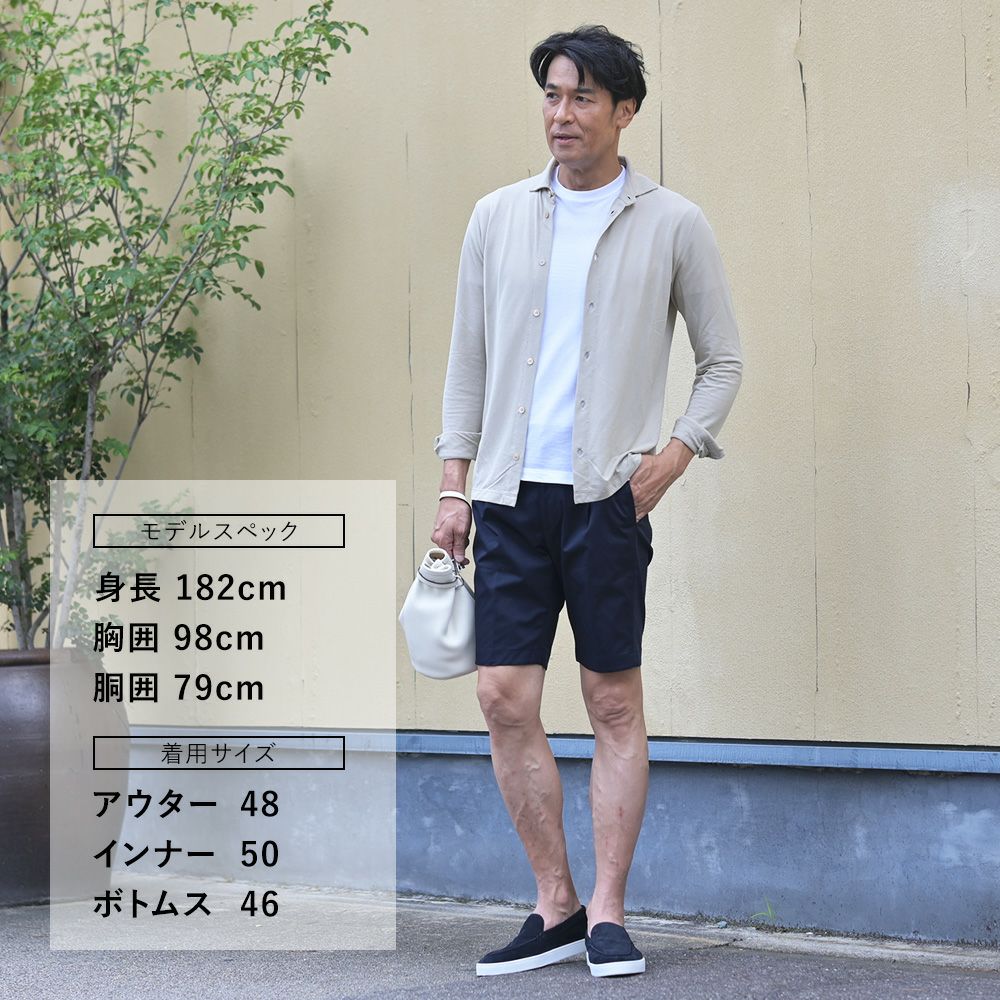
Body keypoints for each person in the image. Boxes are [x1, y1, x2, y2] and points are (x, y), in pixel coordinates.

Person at [431, 24, 743, 978]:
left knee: (611, 700)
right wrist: (453, 486)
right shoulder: (496, 217)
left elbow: (723, 361)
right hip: (507, 495)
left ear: (624, 111)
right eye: (552, 96)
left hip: (607, 496)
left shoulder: (673, 222)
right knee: (502, 696)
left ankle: (607, 911)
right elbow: (467, 363)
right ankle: (554, 903)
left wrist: (672, 458)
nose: (561, 115)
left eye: (581, 98)